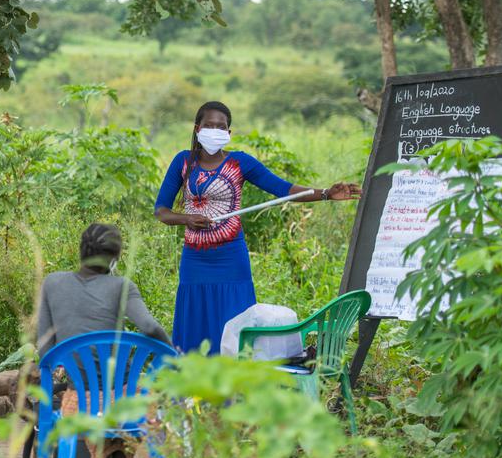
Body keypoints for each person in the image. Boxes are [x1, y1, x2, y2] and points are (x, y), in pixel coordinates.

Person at [153, 101, 359, 355]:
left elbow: (284, 190)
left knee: (236, 320)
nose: (215, 130)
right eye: (209, 125)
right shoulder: (183, 162)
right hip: (195, 260)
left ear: (228, 134)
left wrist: (326, 193)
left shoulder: (240, 163)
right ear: (197, 128)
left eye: (222, 127)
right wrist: (187, 219)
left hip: (231, 257)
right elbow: (161, 211)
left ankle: (235, 386)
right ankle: (193, 385)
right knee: (196, 319)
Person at [35, 223, 170, 357]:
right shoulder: (122, 286)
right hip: (118, 378)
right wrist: (178, 357)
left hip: (70, 378)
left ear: (81, 250)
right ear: (114, 259)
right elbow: (149, 327)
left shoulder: (52, 282)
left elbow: (45, 350)